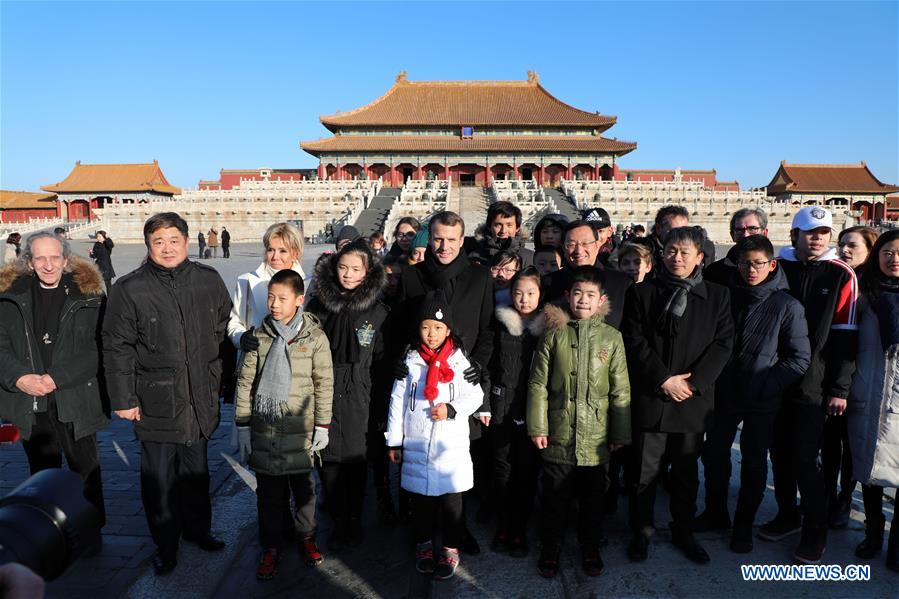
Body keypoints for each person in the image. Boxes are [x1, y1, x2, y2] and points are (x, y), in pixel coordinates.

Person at [103, 212, 232, 576]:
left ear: (187, 242)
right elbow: (116, 347)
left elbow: (223, 327)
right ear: (148, 246)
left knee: (197, 471)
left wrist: (220, 378)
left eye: (173, 240)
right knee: (159, 479)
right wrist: (123, 399)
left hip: (200, 394)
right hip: (155, 398)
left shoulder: (208, 280)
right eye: (158, 241)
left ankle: (197, 530)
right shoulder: (129, 289)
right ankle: (165, 543)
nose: (167, 248)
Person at [622, 226, 734, 564]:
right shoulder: (642, 293)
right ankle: (641, 531)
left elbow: (723, 343)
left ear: (700, 257)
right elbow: (634, 340)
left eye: (686, 252)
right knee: (643, 472)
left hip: (691, 401)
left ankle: (683, 530)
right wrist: (662, 379)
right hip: (652, 396)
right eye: (671, 250)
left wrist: (693, 383)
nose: (677, 257)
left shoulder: (717, 295)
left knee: (686, 473)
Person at [696, 235, 811, 553]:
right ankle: (715, 512)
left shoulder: (787, 305)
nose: (751, 269)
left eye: (758, 263)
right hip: (724, 393)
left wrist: (767, 384)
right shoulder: (725, 296)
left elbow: (799, 358)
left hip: (762, 397)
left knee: (754, 462)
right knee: (715, 455)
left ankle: (743, 524)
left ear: (772, 264)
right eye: (745, 263)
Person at [394, 210, 494, 555]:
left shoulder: (480, 277)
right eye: (438, 238)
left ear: (462, 240)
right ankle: (422, 526)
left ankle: (457, 529)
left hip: (462, 384)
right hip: (423, 385)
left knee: (460, 460)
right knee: (422, 455)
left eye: (452, 239)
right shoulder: (411, 276)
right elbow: (402, 328)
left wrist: (478, 365)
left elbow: (487, 329)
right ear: (429, 237)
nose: (444, 246)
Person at [0, 232, 109, 546]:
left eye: (55, 258)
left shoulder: (88, 295)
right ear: (30, 263)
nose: (49, 265)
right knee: (42, 475)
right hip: (30, 401)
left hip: (75, 396)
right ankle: (49, 533)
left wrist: (56, 377)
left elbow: (97, 349)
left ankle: (90, 534)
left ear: (65, 259)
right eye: (41, 259)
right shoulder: (9, 296)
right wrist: (19, 377)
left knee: (86, 470)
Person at [764, 206, 858, 564]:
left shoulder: (841, 274)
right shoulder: (778, 268)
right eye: (810, 232)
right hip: (774, 379)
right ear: (794, 235)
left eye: (823, 232)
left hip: (814, 384)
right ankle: (787, 514)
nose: (817, 238)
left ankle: (814, 531)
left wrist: (839, 388)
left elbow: (846, 336)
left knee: (806, 459)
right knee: (779, 453)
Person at [528, 266, 631, 578]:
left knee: (592, 499)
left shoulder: (612, 338)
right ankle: (551, 547)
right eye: (577, 294)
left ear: (601, 300)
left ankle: (590, 547)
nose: (583, 300)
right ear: (567, 297)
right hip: (558, 432)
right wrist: (538, 426)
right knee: (555, 497)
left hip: (596, 437)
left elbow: (620, 389)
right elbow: (538, 385)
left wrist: (619, 431)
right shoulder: (553, 334)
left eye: (590, 295)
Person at [234, 269, 334, 580]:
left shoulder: (314, 337)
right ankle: (271, 547)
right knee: (269, 498)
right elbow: (245, 383)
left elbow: (324, 383)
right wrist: (242, 426)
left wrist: (323, 426)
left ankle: (306, 539)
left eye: (282, 298)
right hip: (265, 432)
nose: (274, 304)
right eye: (271, 297)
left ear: (299, 300)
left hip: (301, 432)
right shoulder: (259, 336)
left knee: (304, 494)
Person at [385, 293, 484, 580]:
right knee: (422, 504)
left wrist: (452, 409)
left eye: (438, 328)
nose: (432, 334)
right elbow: (397, 401)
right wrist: (394, 440)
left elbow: (475, 395)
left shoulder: (459, 360)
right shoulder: (411, 361)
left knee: (452, 504)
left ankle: (451, 547)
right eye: (426, 327)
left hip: (450, 448)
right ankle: (424, 545)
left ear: (448, 330)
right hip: (417, 445)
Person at [306, 239, 388, 547]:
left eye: (356, 269)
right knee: (328, 460)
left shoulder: (378, 310)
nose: (348, 275)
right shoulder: (318, 305)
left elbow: (381, 358)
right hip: (324, 390)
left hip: (360, 392)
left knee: (355, 460)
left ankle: (353, 518)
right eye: (343, 267)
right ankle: (338, 517)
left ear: (367, 272)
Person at [847, 229, 899, 572]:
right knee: (869, 470)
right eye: (888, 253)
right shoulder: (864, 296)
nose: (894, 259)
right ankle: (872, 532)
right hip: (868, 392)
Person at [488, 267, 545, 558]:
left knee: (526, 472)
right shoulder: (499, 323)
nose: (524, 299)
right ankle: (504, 525)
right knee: (502, 470)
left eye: (531, 293)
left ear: (540, 294)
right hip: (501, 409)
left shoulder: (548, 328)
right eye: (518, 292)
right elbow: (487, 365)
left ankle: (520, 528)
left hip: (533, 412)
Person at [542, 220, 633, 330]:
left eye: (585, 243)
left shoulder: (621, 283)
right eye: (571, 244)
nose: (579, 250)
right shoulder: (549, 283)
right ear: (563, 248)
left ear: (597, 244)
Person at [704, 208, 769, 286]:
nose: (746, 235)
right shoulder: (714, 271)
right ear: (732, 235)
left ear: (764, 233)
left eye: (752, 229)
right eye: (739, 230)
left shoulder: (779, 270)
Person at [467, 201, 533, 267]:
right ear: (489, 227)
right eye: (498, 225)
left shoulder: (530, 258)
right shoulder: (475, 257)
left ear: (517, 228)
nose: (503, 231)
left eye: (509, 225)